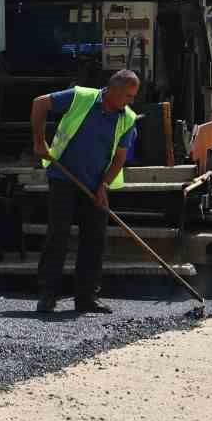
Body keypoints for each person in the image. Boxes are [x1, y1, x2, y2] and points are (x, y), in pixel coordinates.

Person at [30, 70, 141, 315]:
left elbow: (119, 158)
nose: (131, 101)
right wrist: (39, 141)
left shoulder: (128, 118)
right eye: (128, 95)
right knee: (58, 235)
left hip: (95, 185)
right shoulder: (80, 97)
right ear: (113, 90)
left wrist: (104, 186)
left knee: (94, 239)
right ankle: (48, 295)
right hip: (63, 178)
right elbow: (39, 103)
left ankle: (86, 297)